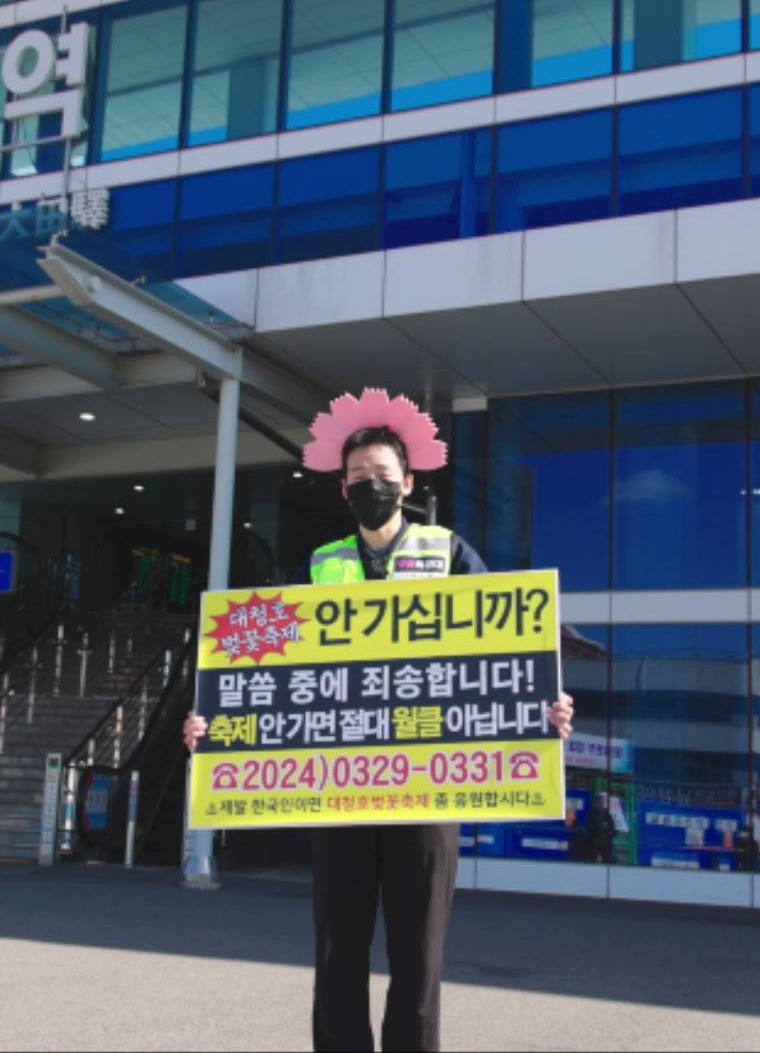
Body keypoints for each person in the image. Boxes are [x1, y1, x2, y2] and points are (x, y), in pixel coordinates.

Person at [184, 388, 574, 1053]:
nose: (371, 486)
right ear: (343, 489)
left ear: (409, 483)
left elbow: (505, 646)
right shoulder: (319, 566)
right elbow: (266, 671)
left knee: (417, 957)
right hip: (337, 790)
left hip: (425, 790)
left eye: (383, 477)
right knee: (337, 950)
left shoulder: (448, 554)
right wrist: (213, 724)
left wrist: (544, 708)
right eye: (358, 477)